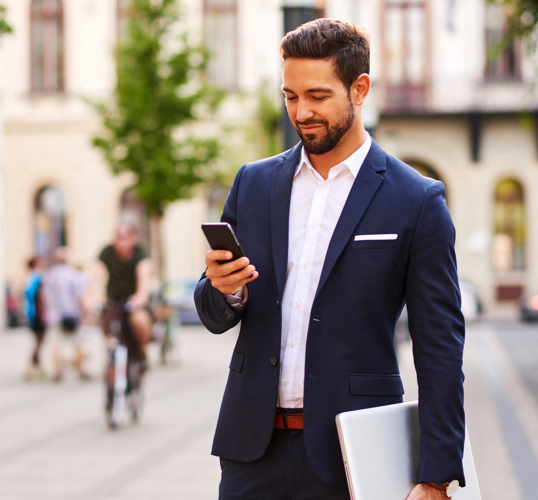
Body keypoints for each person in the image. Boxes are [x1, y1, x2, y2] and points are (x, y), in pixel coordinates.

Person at [194, 19, 466, 500]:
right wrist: (223, 288)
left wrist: (436, 474)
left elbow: (439, 347)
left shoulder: (416, 200)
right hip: (251, 451)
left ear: (359, 89)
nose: (302, 112)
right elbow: (215, 315)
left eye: (317, 96)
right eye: (290, 96)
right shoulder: (253, 184)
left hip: (352, 452)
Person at [92, 224, 153, 363]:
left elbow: (144, 275)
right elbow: (96, 275)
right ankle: (112, 360)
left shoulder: (140, 253)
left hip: (133, 302)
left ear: (133, 239)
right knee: (105, 322)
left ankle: (142, 353)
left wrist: (141, 296)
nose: (120, 242)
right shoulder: (107, 252)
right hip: (113, 301)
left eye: (124, 238)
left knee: (139, 320)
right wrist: (91, 298)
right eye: (118, 237)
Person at [43, 247, 90, 381]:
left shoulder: (48, 275)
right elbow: (79, 295)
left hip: (54, 314)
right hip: (71, 312)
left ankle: (57, 371)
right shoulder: (72, 274)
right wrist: (84, 312)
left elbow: (44, 296)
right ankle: (82, 369)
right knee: (78, 342)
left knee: (56, 342)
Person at [23, 256, 47, 380]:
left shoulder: (30, 277)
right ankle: (32, 365)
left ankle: (37, 365)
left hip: (32, 312)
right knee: (39, 340)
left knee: (38, 340)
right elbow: (38, 296)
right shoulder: (37, 277)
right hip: (37, 313)